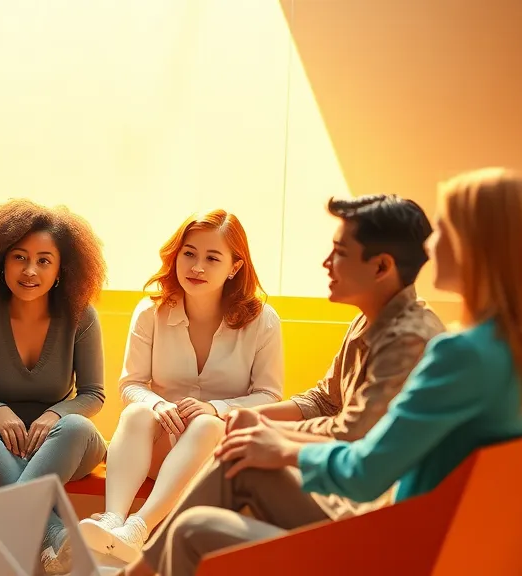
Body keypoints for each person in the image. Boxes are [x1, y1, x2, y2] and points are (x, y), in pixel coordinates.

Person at [122, 193, 452, 576]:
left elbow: (352, 435)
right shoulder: (368, 320)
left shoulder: (409, 339)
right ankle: (140, 566)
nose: (326, 264)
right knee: (232, 460)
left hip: (367, 513)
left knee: (225, 480)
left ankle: (138, 567)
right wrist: (248, 420)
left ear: (381, 267)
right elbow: (324, 402)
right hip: (342, 491)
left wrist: (272, 436)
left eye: (340, 253)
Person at [79, 210, 284, 562]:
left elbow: (270, 395)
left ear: (235, 267)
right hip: (160, 445)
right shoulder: (150, 312)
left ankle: (138, 528)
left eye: (212, 257)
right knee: (138, 413)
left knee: (206, 423)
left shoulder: (263, 321)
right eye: (188, 253)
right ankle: (114, 520)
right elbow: (131, 384)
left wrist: (216, 408)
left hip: (216, 457)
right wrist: (159, 406)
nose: (197, 267)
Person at [0, 199, 108, 575]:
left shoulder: (82, 315)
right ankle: (56, 537)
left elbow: (93, 395)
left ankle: (28, 534)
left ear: (60, 270)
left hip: (66, 444)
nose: (30, 270)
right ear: (1, 262)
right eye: (19, 257)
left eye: (43, 260)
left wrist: (56, 414)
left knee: (73, 426)